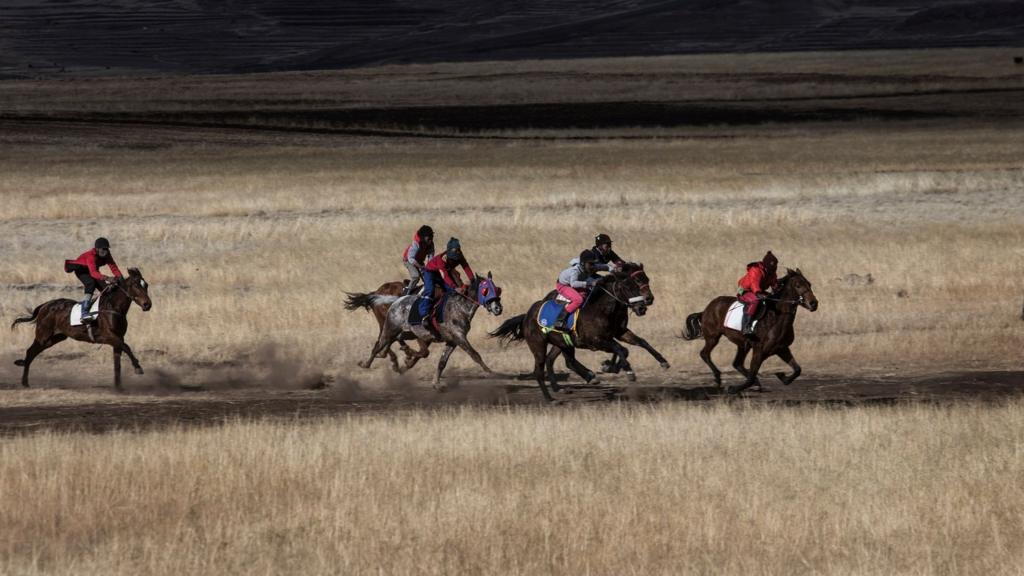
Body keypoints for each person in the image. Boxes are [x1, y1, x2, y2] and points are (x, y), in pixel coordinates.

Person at [420, 238, 474, 334]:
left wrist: (472, 280)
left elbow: (466, 267)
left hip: (443, 273)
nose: (455, 259)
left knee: (451, 292)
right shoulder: (441, 260)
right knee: (430, 290)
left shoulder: (460, 255)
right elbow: (445, 275)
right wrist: (454, 287)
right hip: (430, 272)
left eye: (456, 258)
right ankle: (423, 314)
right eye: (452, 258)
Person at [64, 237, 123, 322]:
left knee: (106, 288)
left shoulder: (107, 254)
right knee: (91, 283)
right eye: (103, 249)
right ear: (97, 249)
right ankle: (84, 312)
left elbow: (114, 268)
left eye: (106, 249)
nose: (105, 251)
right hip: (82, 270)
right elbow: (93, 273)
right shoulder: (90, 256)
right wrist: (108, 278)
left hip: (93, 270)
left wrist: (120, 278)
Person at [736, 251, 779, 337]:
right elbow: (754, 284)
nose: (772, 271)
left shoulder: (772, 272)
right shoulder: (755, 270)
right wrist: (758, 293)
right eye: (770, 269)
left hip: (758, 290)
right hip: (744, 290)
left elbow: (774, 284)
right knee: (755, 300)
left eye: (774, 268)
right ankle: (746, 326)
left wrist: (777, 289)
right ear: (765, 265)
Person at [553, 250, 598, 330]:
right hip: (563, 285)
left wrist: (612, 269)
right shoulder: (575, 271)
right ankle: (560, 320)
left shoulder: (587, 267)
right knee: (578, 300)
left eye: (594, 264)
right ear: (583, 263)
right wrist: (589, 284)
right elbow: (573, 284)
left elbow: (603, 267)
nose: (593, 266)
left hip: (571, 284)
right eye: (591, 264)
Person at [401, 225, 434, 296]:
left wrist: (429, 268)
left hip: (419, 261)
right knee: (416, 276)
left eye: (431, 236)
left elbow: (431, 257)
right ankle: (406, 293)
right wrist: (421, 267)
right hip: (408, 260)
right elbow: (411, 259)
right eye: (428, 237)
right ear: (423, 237)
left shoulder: (430, 244)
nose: (431, 240)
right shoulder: (416, 243)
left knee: (428, 278)